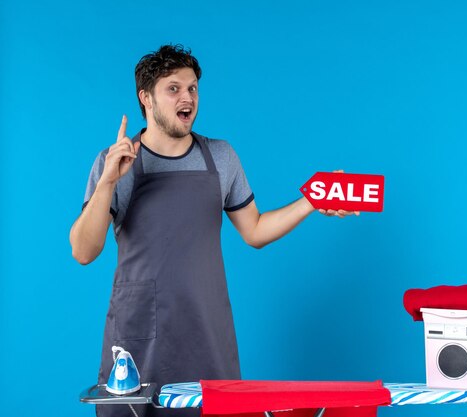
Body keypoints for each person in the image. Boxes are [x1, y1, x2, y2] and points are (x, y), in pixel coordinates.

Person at [70, 44, 357, 417]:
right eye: (173, 88)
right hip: (139, 339)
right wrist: (108, 181)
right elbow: (83, 250)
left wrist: (311, 202)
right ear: (147, 98)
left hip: (206, 333)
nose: (187, 97)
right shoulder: (118, 163)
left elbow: (254, 230)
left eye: (192, 88)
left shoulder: (220, 157)